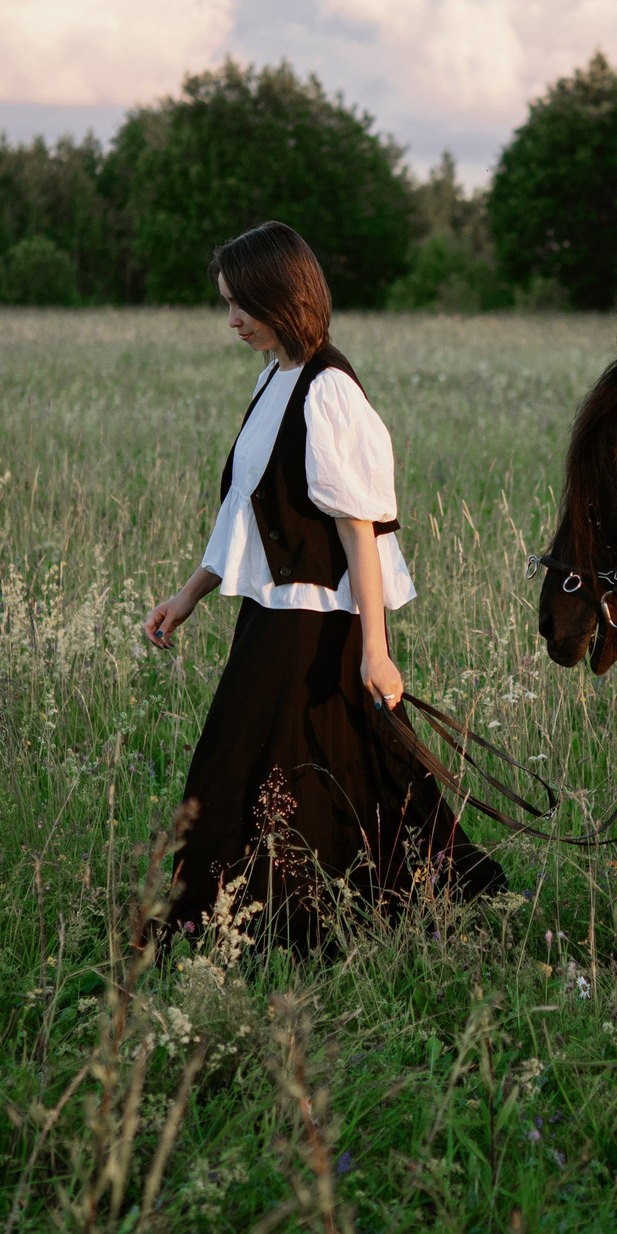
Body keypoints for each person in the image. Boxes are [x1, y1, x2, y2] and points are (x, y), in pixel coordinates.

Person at [143, 221, 502, 948]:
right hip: (269, 615)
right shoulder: (273, 375)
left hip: (315, 624)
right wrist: (188, 595)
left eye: (241, 304)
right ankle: (260, 921)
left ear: (281, 294)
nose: (232, 320)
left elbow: (358, 530)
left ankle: (241, 924)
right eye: (227, 305)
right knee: (319, 767)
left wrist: (377, 649)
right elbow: (245, 508)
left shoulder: (327, 389)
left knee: (251, 762)